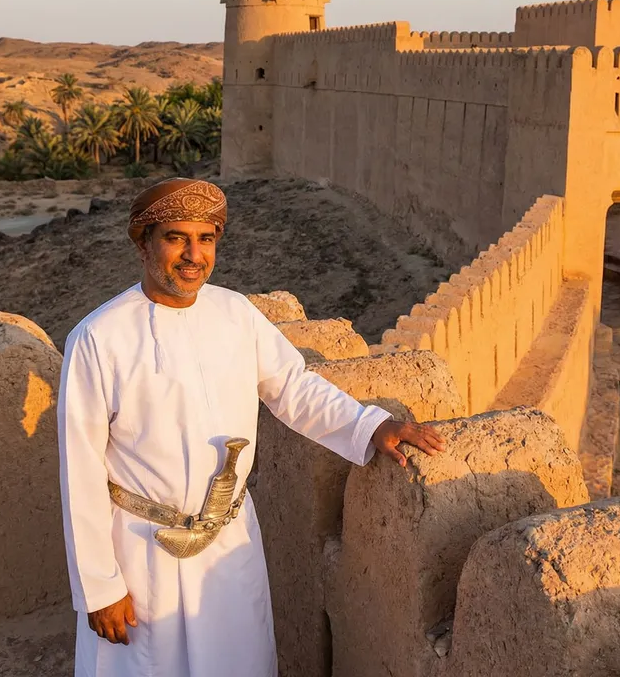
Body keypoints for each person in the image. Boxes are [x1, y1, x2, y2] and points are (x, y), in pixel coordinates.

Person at [58, 177, 445, 677]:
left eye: (207, 239)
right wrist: (100, 585)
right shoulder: (97, 337)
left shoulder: (236, 313)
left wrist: (370, 425)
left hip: (228, 543)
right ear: (143, 243)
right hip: (142, 553)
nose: (193, 254)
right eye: (176, 237)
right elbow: (80, 469)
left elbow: (294, 388)